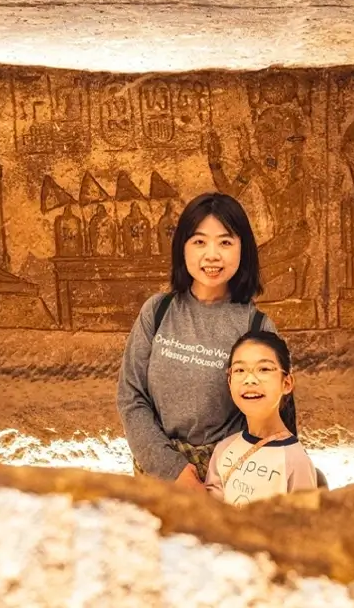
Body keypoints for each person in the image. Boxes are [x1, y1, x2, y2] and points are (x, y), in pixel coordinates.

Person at [117, 192, 283, 491]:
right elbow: (132, 397)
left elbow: (267, 417)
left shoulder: (255, 326)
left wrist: (219, 482)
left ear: (243, 249)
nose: (212, 255)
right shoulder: (157, 311)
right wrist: (173, 470)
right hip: (157, 477)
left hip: (232, 480)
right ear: (183, 247)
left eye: (225, 242)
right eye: (199, 241)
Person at [205, 331, 317, 506]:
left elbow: (301, 528)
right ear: (230, 382)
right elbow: (212, 514)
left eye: (264, 369)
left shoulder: (295, 460)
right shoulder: (224, 449)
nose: (250, 380)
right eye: (240, 370)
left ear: (286, 383)